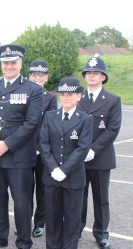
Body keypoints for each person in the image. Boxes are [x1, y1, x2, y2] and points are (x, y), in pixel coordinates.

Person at [0, 44, 43, 249]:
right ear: (1, 64)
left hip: (19, 156)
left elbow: (32, 123)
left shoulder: (33, 89)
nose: (9, 66)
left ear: (20, 63)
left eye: (13, 62)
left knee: (22, 202)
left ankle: (23, 241)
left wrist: (7, 144)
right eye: (6, 63)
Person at [40, 77, 92, 249]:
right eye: (63, 94)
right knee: (53, 219)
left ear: (79, 96)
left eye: (70, 94)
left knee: (71, 219)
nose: (66, 98)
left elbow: (82, 148)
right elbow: (44, 143)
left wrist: (65, 170)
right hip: (52, 176)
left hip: (73, 177)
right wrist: (53, 168)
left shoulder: (85, 119)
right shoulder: (49, 116)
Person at [78, 54, 121, 249]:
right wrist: (80, 150)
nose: (92, 76)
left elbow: (112, 129)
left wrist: (93, 149)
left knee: (101, 198)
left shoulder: (113, 100)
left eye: (96, 73)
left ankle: (101, 233)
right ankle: (76, 228)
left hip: (101, 157)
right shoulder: (78, 97)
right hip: (78, 157)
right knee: (78, 196)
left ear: (103, 77)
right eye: (89, 73)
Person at [28, 60, 57, 238]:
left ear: (46, 78)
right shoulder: (22, 95)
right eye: (34, 75)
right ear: (29, 76)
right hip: (23, 150)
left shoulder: (51, 98)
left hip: (41, 152)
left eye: (41, 75)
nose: (37, 78)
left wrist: (40, 147)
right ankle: (24, 221)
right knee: (23, 190)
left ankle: (39, 223)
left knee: (42, 189)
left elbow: (50, 125)